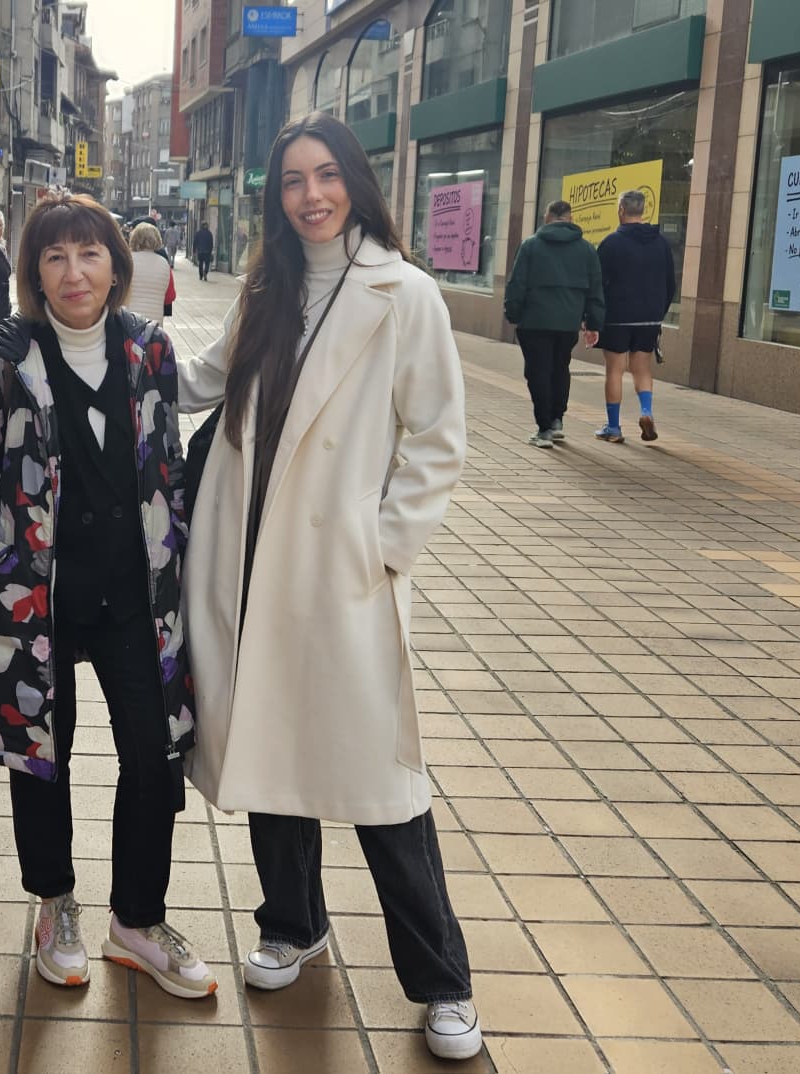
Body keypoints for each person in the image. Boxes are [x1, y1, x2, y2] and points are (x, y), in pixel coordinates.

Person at [177, 113, 480, 1061]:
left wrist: (381, 547)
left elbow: (436, 437)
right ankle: (292, 922)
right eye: (293, 180)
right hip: (246, 557)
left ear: (355, 181)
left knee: (383, 784)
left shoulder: (405, 294)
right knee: (271, 749)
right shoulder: (268, 287)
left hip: (335, 570)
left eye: (326, 176)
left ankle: (440, 981)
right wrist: (101, 349)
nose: (310, 196)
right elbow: (203, 379)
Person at [0, 191, 215, 1001]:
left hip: (134, 596)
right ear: (34, 274)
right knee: (40, 758)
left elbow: (170, 475)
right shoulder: (5, 359)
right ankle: (55, 905)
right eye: (54, 257)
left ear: (118, 267)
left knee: (152, 757)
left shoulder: (148, 352)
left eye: (89, 254)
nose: (74, 272)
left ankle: (138, 919)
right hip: (30, 601)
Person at [503, 200, 604, 448]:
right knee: (560, 368)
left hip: (534, 321)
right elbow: (596, 289)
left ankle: (544, 428)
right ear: (570, 219)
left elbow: (517, 284)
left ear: (546, 218)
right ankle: (557, 419)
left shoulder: (530, 246)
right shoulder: (587, 249)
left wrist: (513, 313)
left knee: (538, 372)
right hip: (568, 323)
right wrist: (593, 322)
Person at [596, 189, 677, 443]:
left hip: (617, 317)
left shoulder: (610, 243)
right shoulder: (661, 243)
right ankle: (646, 411)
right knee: (642, 368)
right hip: (649, 318)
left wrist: (594, 315)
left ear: (621, 210)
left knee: (615, 370)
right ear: (642, 211)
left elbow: (598, 283)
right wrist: (658, 312)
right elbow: (670, 283)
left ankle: (613, 427)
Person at [126, 222, 175, 325]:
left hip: (129, 324)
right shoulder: (164, 264)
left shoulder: (127, 260)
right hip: (154, 328)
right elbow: (170, 297)